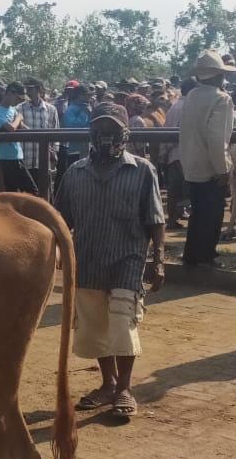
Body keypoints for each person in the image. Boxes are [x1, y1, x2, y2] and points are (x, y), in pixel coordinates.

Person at [57, 102, 164, 420]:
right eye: (100, 130)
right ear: (90, 134)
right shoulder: (75, 173)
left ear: (126, 134)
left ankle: (124, 390)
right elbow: (60, 218)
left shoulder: (143, 170)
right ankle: (108, 383)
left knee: (122, 323)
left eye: (113, 131)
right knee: (95, 325)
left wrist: (158, 260)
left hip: (127, 259)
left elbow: (156, 219)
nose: (106, 137)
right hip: (87, 259)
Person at [179, 50, 236, 266]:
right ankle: (206, 256)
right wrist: (223, 169)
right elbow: (217, 138)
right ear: (217, 75)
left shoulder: (192, 95)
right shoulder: (222, 99)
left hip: (191, 163)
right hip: (210, 166)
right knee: (212, 214)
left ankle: (192, 255)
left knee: (198, 213)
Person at [0, 82, 38, 195]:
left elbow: (22, 126)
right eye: (18, 98)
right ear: (9, 93)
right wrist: (18, 117)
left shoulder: (12, 110)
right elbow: (12, 128)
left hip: (17, 155)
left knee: (17, 192)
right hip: (7, 158)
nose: (18, 101)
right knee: (31, 191)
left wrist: (37, 135)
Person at [162, 77, 195, 229]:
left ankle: (171, 220)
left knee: (173, 191)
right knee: (190, 189)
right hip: (187, 153)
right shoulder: (190, 107)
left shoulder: (173, 107)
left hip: (172, 153)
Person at [20, 78, 58, 196]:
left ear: (39, 90)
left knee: (45, 194)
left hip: (44, 161)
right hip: (26, 159)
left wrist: (54, 153)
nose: (28, 92)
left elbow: (55, 132)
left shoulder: (51, 110)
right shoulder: (19, 108)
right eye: (27, 89)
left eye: (31, 89)